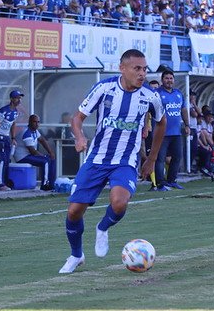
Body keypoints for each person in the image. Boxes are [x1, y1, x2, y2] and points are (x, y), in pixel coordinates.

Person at [59, 49, 166, 274]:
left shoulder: (150, 96)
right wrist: (79, 137)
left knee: (119, 202)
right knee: (73, 212)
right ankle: (76, 255)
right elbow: (77, 118)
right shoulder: (104, 89)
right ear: (122, 68)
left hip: (125, 161)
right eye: (137, 68)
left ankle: (103, 228)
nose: (142, 73)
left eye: (145, 69)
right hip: (96, 159)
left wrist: (152, 159)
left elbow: (161, 123)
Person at [154, 69, 190, 191]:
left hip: (176, 132)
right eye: (166, 78)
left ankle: (172, 180)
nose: (169, 80)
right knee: (160, 158)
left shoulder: (178, 93)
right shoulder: (157, 93)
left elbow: (183, 110)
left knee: (177, 157)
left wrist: (187, 125)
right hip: (161, 133)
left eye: (171, 78)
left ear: (174, 80)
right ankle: (160, 183)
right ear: (162, 80)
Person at [0, 90, 24, 191]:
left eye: (20, 98)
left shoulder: (15, 112)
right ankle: (0, 184)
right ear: (11, 99)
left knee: (6, 161)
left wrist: (13, 138)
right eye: (17, 98)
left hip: (6, 138)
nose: (19, 100)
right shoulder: (3, 111)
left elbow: (13, 124)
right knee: (2, 160)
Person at [19, 114, 56, 191]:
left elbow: (42, 140)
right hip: (22, 157)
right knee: (45, 161)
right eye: (34, 122)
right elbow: (33, 152)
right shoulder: (27, 133)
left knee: (52, 159)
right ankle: (45, 185)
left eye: (38, 122)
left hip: (29, 155)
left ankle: (51, 184)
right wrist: (44, 156)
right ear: (29, 122)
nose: (37, 124)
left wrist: (51, 152)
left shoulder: (35, 131)